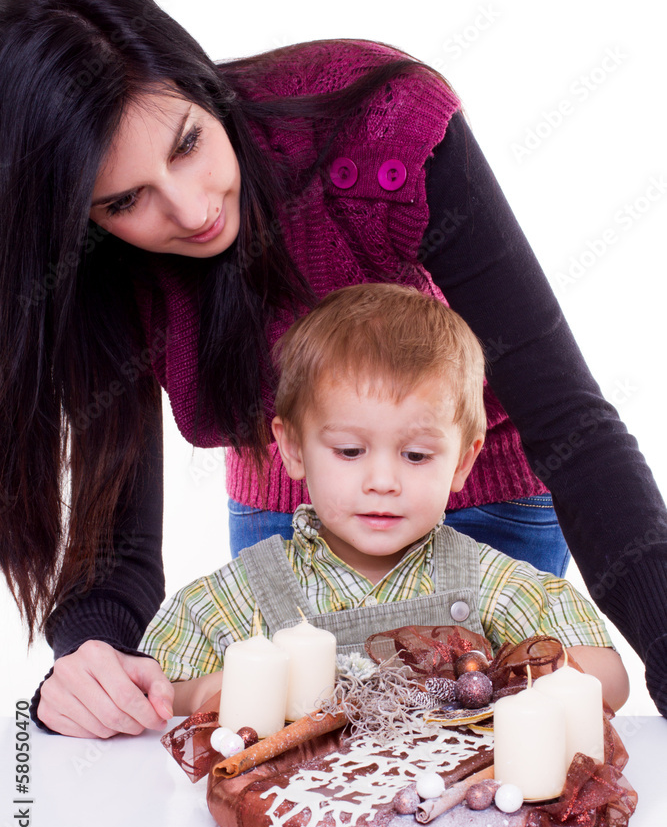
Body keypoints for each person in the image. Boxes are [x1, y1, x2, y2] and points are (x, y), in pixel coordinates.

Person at [0, 0, 662, 738]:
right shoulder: (89, 267)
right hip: (282, 516)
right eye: (124, 200)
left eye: (188, 145)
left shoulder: (375, 128)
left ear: (198, 82)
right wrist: (93, 660)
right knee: (301, 752)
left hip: (483, 496)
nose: (190, 208)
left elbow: (568, 420)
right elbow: (116, 532)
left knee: (474, 749)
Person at [140, 285, 629, 715]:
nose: (382, 482)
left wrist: (509, 679)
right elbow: (159, 687)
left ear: (462, 462)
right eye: (350, 451)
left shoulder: (488, 583)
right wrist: (208, 691)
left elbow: (611, 676)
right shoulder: (244, 594)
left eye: (415, 456)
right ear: (293, 449)